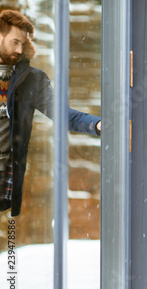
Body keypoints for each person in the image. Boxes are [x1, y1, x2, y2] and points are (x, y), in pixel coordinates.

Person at [0, 10, 101, 217]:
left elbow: (63, 114)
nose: (20, 50)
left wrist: (98, 124)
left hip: (4, 176)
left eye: (24, 44)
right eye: (15, 42)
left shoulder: (31, 80)